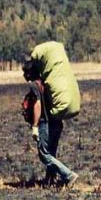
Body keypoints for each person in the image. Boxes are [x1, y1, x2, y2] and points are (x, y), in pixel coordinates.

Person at [23, 57, 79, 187]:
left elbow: (37, 105)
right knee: (51, 152)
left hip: (45, 123)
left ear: (31, 73)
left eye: (26, 72)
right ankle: (50, 180)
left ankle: (69, 175)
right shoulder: (46, 84)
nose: (24, 75)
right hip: (56, 123)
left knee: (44, 154)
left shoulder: (34, 85)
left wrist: (35, 126)